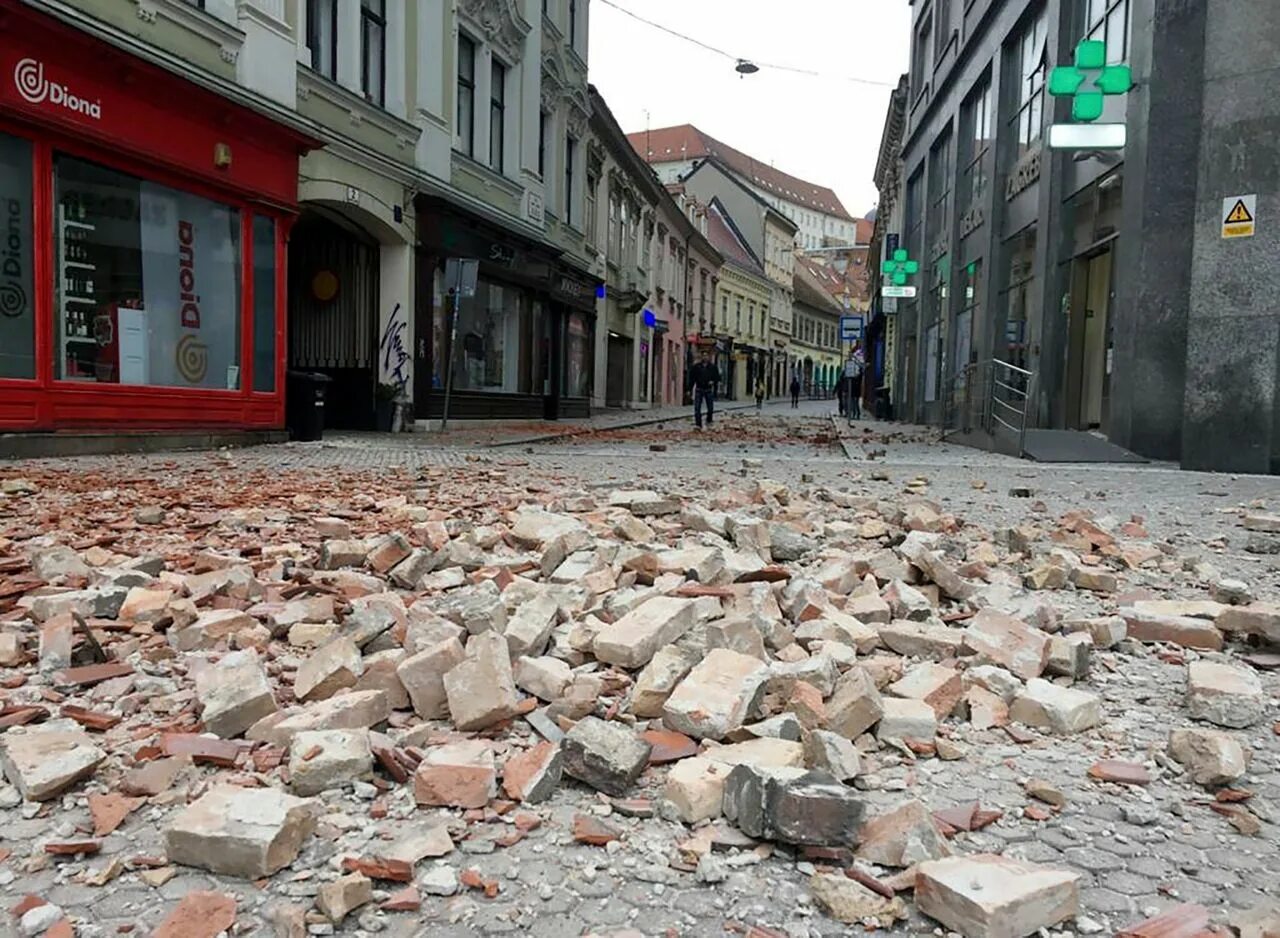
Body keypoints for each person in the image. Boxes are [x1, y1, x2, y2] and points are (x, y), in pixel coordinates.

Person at [689, 347, 721, 429]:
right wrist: (689, 389)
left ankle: (709, 420)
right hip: (699, 389)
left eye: (706, 356)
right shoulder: (696, 367)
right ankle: (698, 424)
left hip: (708, 389)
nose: (705, 357)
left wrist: (713, 382)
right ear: (701, 357)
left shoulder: (713, 367)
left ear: (709, 357)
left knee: (710, 408)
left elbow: (717, 378)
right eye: (703, 356)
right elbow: (692, 378)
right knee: (697, 408)